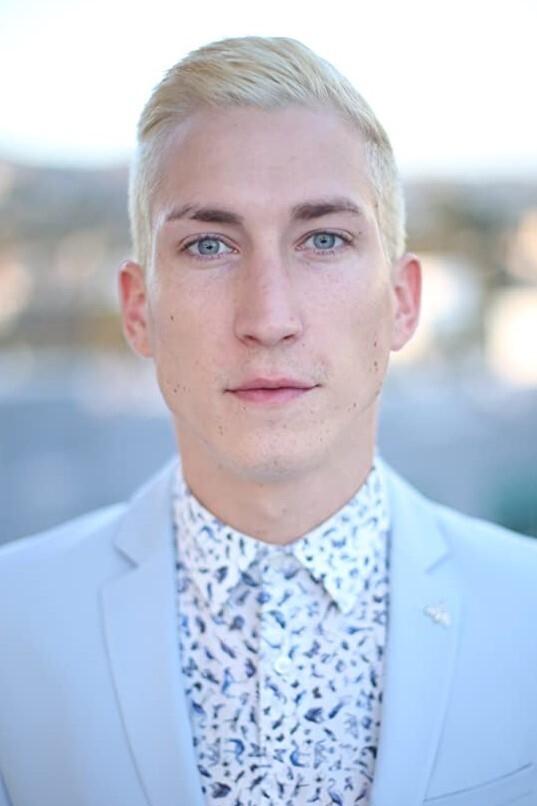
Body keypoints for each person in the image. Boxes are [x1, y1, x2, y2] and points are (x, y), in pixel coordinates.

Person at [0, 36, 535, 806]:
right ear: (138, 310)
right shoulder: (13, 624)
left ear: (401, 302)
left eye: (323, 239)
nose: (268, 317)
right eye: (208, 245)